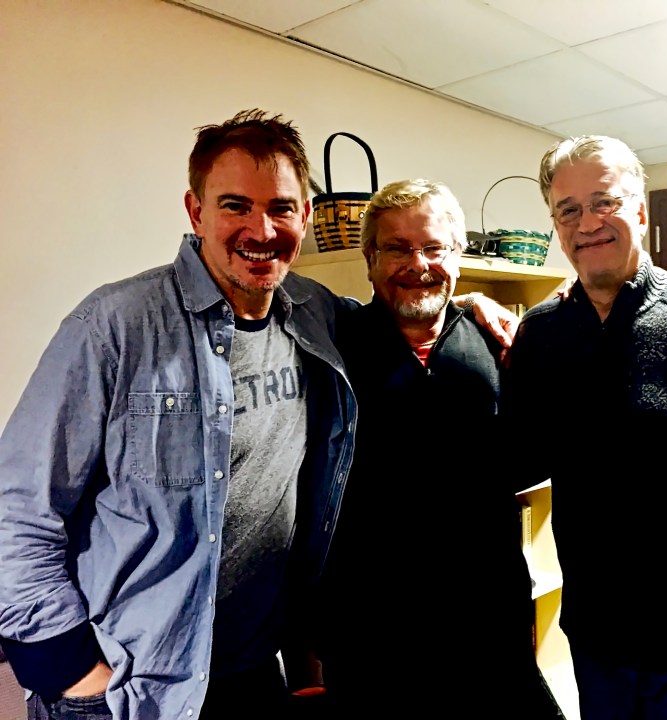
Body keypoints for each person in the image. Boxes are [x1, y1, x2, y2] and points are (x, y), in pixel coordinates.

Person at [0, 109, 360, 719]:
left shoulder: (314, 313)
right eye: (235, 205)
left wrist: (478, 305)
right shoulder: (115, 325)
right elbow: (18, 511)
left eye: (281, 208)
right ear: (196, 213)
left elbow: (401, 319)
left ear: (304, 216)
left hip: (252, 674)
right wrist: (70, 669)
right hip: (132, 687)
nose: (261, 229)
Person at [499, 135, 667, 720]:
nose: (588, 223)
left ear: (640, 207)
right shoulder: (541, 333)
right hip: (597, 630)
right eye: (569, 209)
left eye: (604, 201)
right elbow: (518, 461)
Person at [314, 178, 564, 719]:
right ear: (369, 258)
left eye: (433, 247)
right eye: (397, 248)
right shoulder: (334, 343)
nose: (417, 263)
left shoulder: (494, 340)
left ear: (456, 253)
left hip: (487, 615)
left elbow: (528, 459)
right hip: (371, 629)